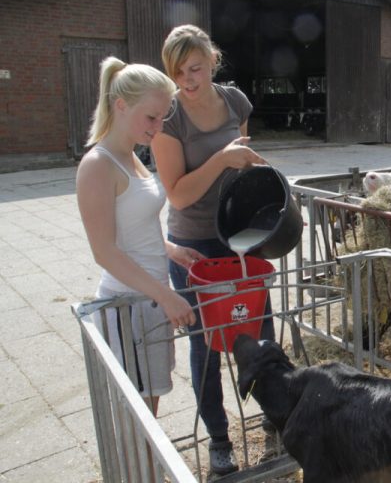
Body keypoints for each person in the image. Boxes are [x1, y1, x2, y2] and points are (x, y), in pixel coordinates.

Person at [152, 24, 276, 477]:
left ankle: (274, 415)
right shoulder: (168, 119)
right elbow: (179, 194)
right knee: (207, 344)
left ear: (212, 61)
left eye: (196, 68)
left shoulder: (235, 102)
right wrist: (221, 158)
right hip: (193, 246)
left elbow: (242, 159)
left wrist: (262, 185)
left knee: (259, 326)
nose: (188, 79)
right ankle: (220, 440)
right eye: (179, 71)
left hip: (236, 232)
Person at [76, 57, 201, 416]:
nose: (158, 126)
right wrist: (166, 296)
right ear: (120, 104)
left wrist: (171, 249)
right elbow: (104, 251)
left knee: (150, 406)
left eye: (163, 117)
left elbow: (134, 228)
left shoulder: (132, 157)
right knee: (137, 415)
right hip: (128, 304)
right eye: (152, 117)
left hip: (149, 299)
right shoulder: (99, 165)